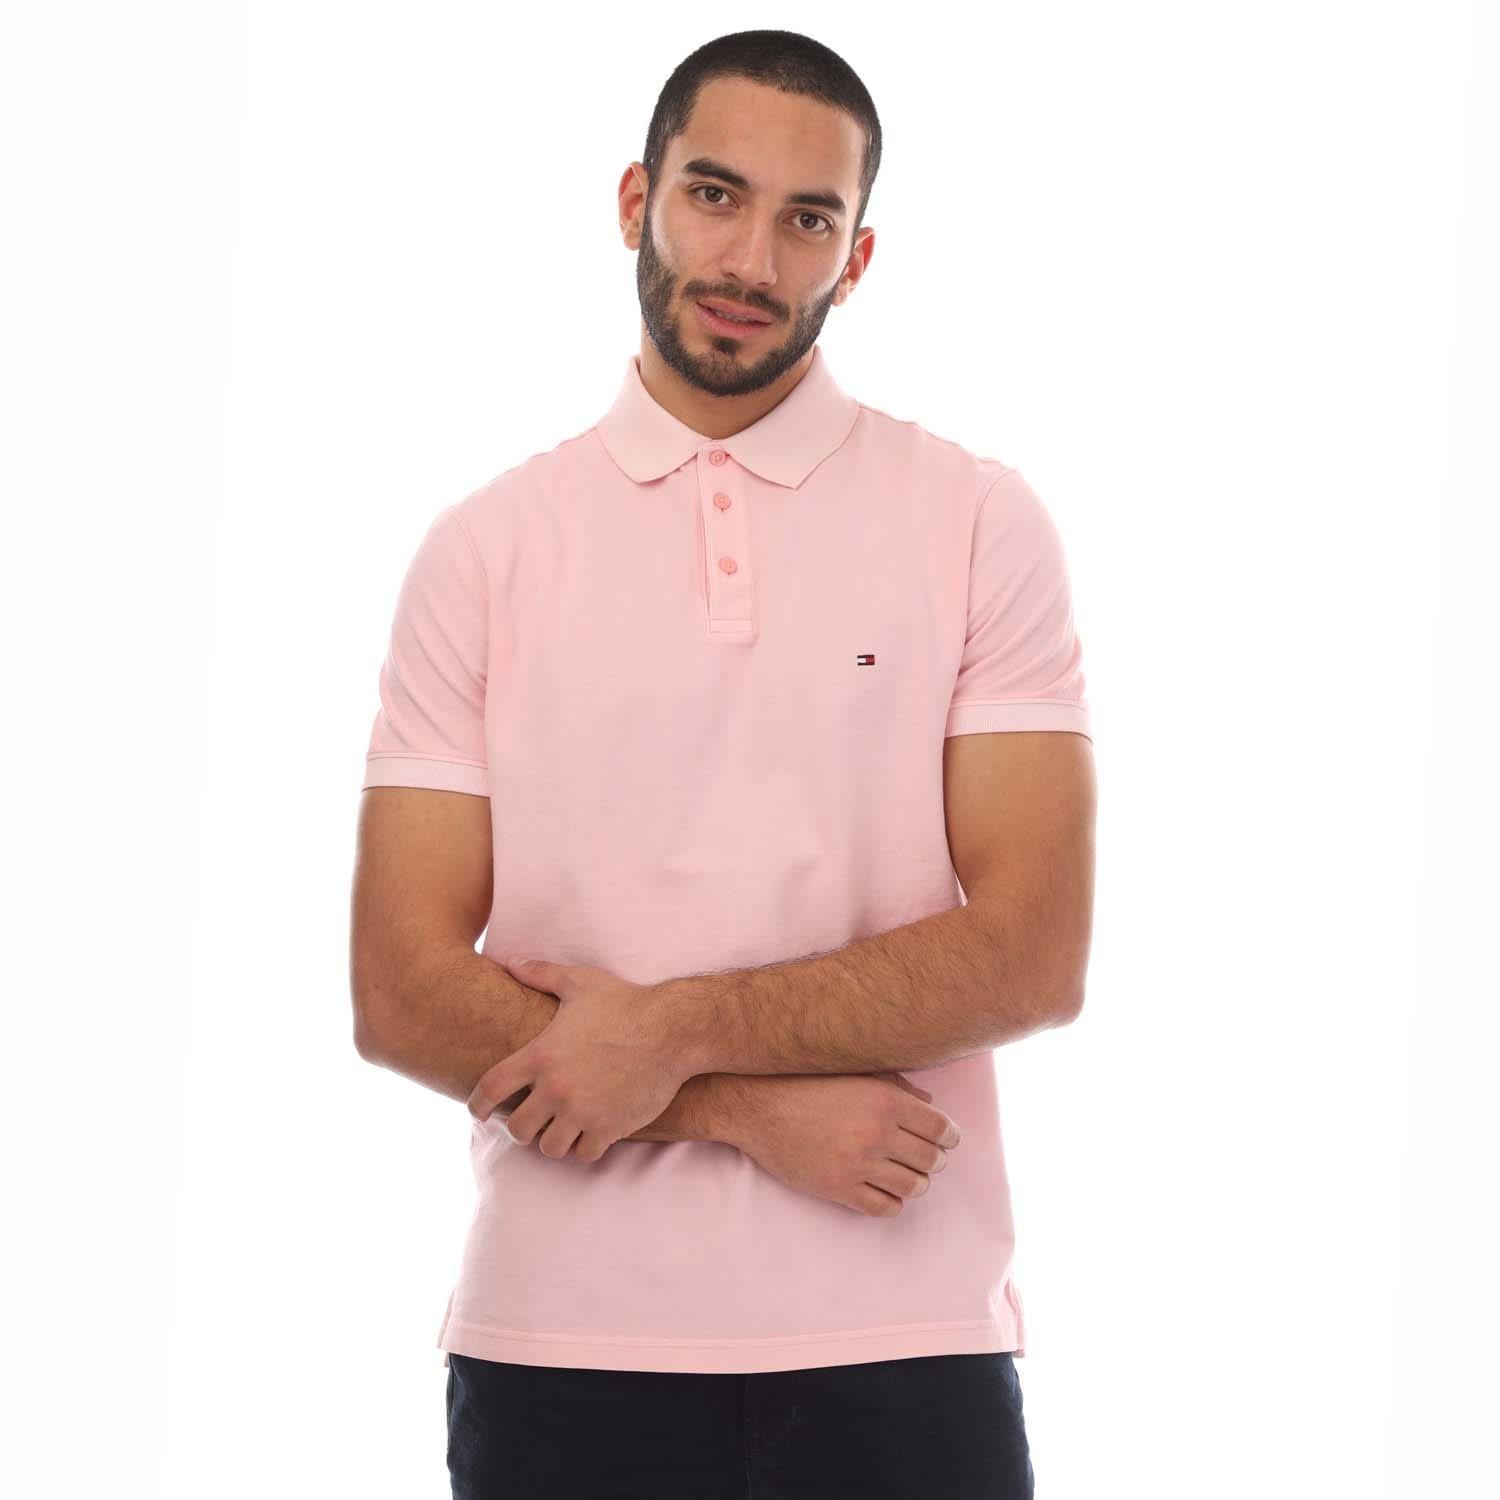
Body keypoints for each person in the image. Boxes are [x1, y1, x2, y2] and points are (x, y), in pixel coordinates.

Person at [351, 27, 1096, 1499]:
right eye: (714, 194)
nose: (752, 258)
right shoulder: (485, 550)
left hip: (907, 1344)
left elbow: (1032, 955)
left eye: (808, 219)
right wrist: (741, 1108)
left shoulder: (975, 520)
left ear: (856, 259)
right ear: (637, 200)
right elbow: (398, 990)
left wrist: (673, 1029)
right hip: (560, 1349)